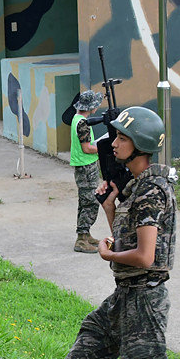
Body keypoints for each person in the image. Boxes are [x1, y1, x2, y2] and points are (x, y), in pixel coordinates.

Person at [62, 106, 177, 359]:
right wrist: (111, 206)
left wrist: (109, 255)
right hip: (124, 296)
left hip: (145, 301)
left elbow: (144, 256)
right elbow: (129, 241)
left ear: (140, 145)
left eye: (123, 138)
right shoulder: (134, 188)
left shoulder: (151, 192)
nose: (114, 143)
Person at [70, 90, 104, 253]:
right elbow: (87, 148)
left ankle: (85, 234)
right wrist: (102, 148)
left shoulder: (77, 119)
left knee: (84, 201)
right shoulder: (82, 123)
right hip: (86, 166)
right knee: (91, 202)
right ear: (91, 106)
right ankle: (82, 238)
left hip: (83, 166)